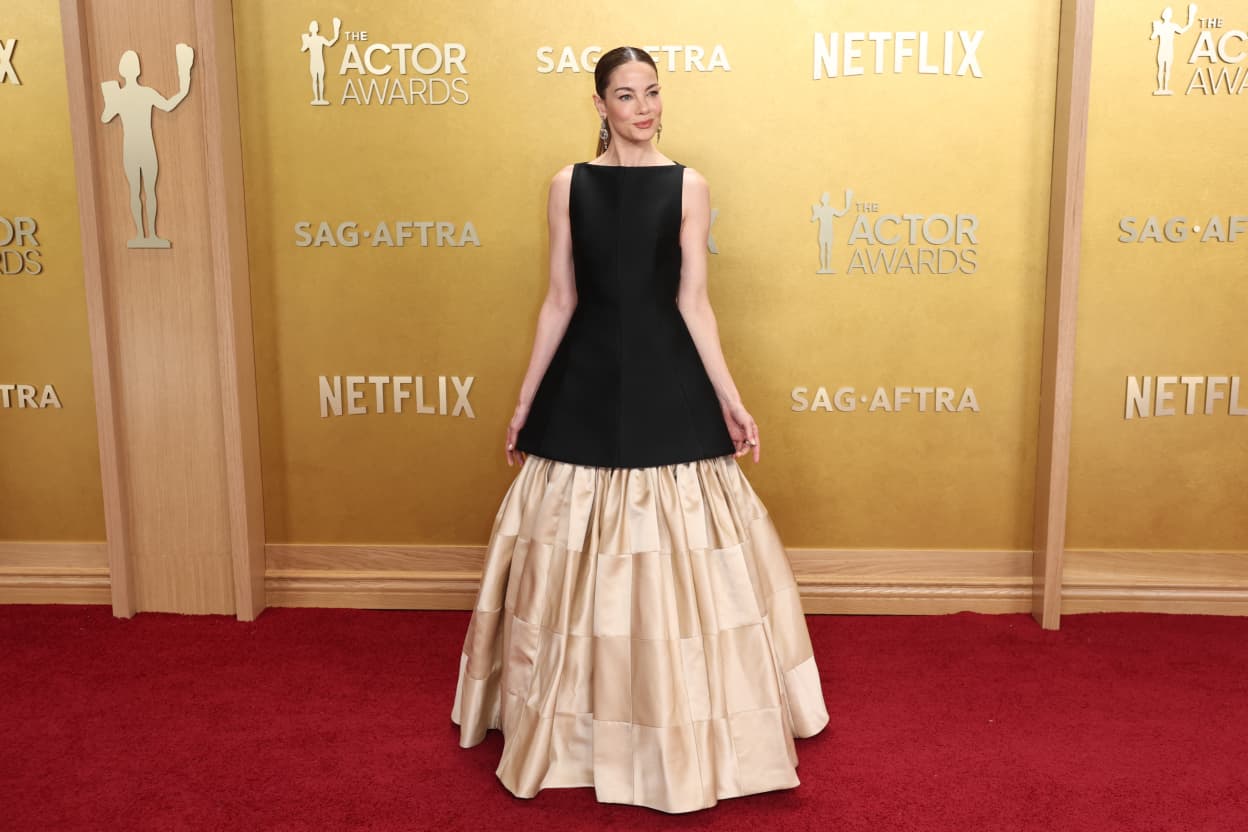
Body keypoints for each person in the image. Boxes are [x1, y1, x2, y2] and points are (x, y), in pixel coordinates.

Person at [450, 45, 830, 814]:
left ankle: (682, 712)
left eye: (652, 92)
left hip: (667, 378)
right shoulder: (568, 186)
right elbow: (559, 298)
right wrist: (527, 401)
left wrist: (730, 398)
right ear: (599, 105)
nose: (644, 107)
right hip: (585, 379)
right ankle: (574, 721)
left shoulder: (689, 185)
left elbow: (694, 302)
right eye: (626, 95)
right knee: (571, 558)